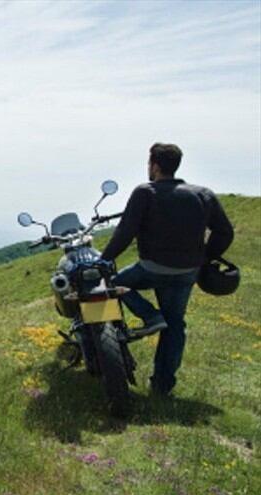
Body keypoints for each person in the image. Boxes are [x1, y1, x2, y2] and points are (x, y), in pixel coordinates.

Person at [100, 143, 233, 396]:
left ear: (155, 166)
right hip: (186, 273)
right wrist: (204, 258)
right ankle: (162, 386)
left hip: (152, 267)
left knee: (112, 283)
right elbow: (224, 231)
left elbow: (125, 232)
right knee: (174, 326)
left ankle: (150, 316)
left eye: (150, 164)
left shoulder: (146, 192)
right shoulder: (203, 194)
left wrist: (104, 259)